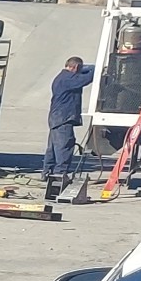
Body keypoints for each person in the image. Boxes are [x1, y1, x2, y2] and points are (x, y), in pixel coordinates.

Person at [45, 56, 96, 193]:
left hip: (57, 118)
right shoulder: (68, 79)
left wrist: (82, 67)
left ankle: (47, 173)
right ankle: (59, 177)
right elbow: (90, 76)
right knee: (64, 147)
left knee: (53, 149)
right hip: (63, 118)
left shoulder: (62, 77)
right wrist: (98, 67)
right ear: (76, 68)